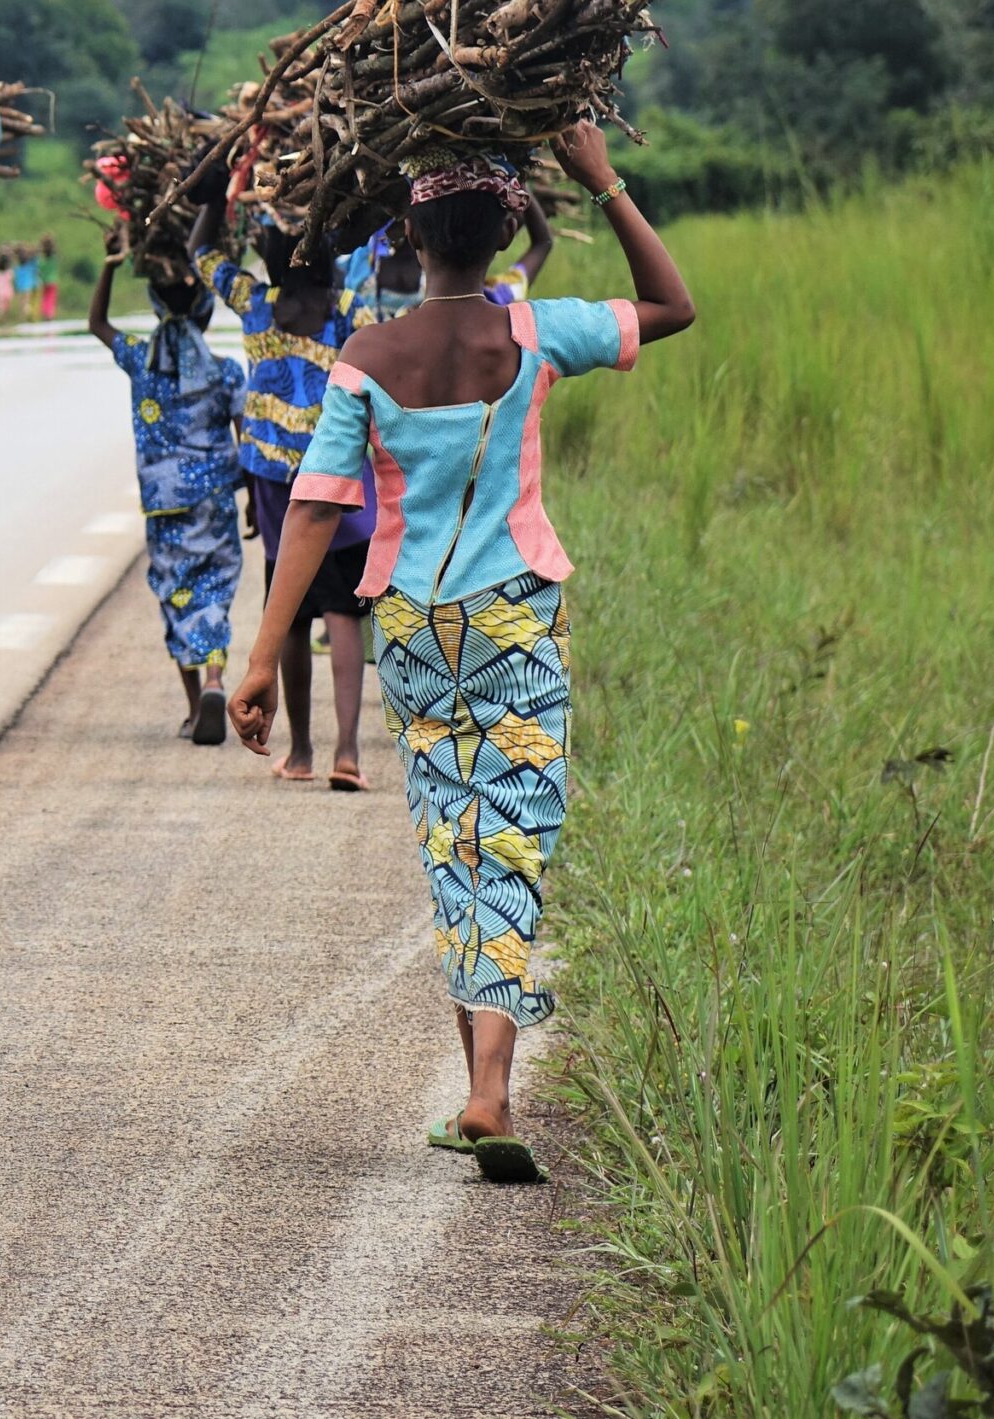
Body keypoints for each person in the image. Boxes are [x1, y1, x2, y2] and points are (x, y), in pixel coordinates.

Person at [232, 120, 695, 1184]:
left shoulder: (363, 358)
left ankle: (484, 1093)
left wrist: (259, 658)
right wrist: (604, 182)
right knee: (515, 836)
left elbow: (312, 511)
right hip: (515, 619)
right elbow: (672, 305)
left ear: (408, 230)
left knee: (453, 837)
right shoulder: (532, 335)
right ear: (510, 228)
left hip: (410, 630)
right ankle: (488, 1090)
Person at [189, 182, 375, 785]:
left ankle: (301, 753)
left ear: (271, 259)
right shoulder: (350, 310)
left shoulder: (256, 302)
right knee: (345, 610)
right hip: (340, 471)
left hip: (274, 481)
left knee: (289, 613)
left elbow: (203, 254)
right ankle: (348, 751)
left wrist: (216, 187)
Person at [87, 234, 245, 743]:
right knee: (215, 590)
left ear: (156, 308)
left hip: (163, 506)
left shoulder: (140, 361)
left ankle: (195, 705)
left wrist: (111, 265)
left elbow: (97, 325)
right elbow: (246, 440)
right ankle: (217, 675)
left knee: (176, 593)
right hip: (216, 499)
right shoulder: (226, 373)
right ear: (205, 312)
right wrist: (258, 508)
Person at [36, 231, 60, 321]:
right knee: (51, 298)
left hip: (43, 282)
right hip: (53, 281)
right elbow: (54, 250)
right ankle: (50, 315)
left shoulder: (41, 260)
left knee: (45, 298)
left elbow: (38, 272)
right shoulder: (54, 259)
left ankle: (45, 313)